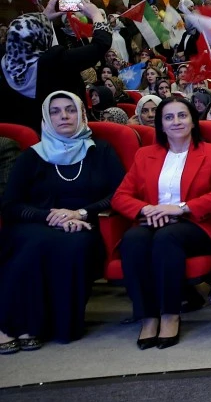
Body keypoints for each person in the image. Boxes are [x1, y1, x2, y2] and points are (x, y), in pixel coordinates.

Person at [0, 92, 125, 350]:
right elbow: (11, 205)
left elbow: (120, 194)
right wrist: (51, 217)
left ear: (82, 114)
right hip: (34, 225)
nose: (64, 116)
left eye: (70, 109)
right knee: (32, 246)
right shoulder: (31, 156)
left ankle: (48, 326)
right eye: (55, 111)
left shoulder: (100, 151)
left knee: (74, 246)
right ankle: (11, 325)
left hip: (84, 225)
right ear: (46, 118)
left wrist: (80, 213)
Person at [112, 96, 211, 349]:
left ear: (193, 121)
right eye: (168, 117)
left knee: (166, 238)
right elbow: (120, 196)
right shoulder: (145, 154)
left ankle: (170, 314)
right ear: (160, 124)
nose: (176, 121)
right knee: (133, 239)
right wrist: (146, 208)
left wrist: (180, 208)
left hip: (193, 224)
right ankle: (148, 316)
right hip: (152, 221)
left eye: (182, 115)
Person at [0, 1, 111, 131]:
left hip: (15, 138)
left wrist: (42, 19)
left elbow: (25, 32)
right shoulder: (56, 61)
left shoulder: (2, 59)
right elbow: (100, 45)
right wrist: (96, 14)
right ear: (44, 37)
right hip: (59, 135)